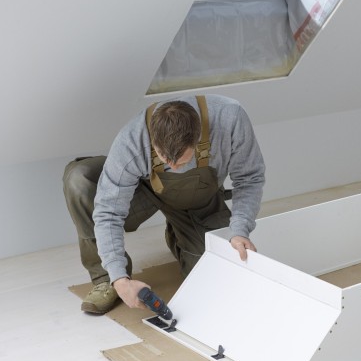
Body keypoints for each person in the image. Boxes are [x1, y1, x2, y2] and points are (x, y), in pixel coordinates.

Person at [63, 94, 265, 314]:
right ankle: (105, 278)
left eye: (182, 161)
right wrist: (118, 277)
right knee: (79, 180)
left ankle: (179, 233)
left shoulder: (230, 117)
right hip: (143, 192)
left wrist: (240, 230)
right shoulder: (132, 141)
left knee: (218, 276)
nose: (174, 167)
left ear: (197, 139)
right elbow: (108, 213)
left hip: (199, 198)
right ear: (153, 140)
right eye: (164, 158)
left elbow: (249, 178)